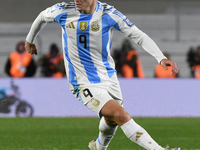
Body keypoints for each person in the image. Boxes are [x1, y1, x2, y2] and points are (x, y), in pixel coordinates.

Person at [25, 1, 180, 150]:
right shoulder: (64, 10)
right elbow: (42, 17)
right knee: (120, 115)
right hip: (83, 81)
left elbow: (138, 35)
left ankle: (99, 147)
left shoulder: (108, 13)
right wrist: (29, 40)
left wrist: (161, 57)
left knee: (111, 121)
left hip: (108, 77)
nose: (77, 0)